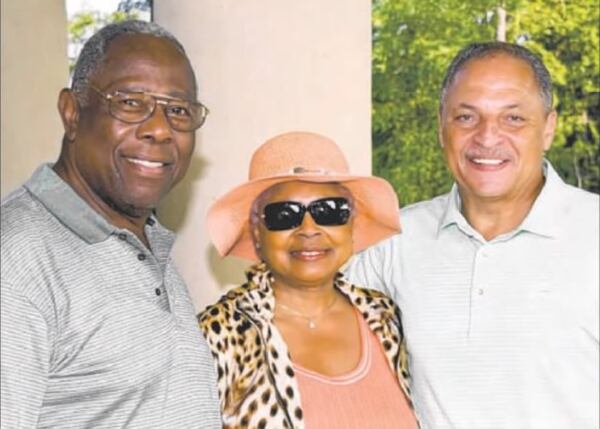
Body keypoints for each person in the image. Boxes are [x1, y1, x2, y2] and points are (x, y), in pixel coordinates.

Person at [346, 41, 599, 429]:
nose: (487, 137)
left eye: (513, 119)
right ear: (441, 126)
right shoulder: (394, 241)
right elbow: (302, 326)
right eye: (466, 117)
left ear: (549, 127)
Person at [0, 21, 221, 428]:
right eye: (131, 103)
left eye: (178, 110)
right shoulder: (18, 259)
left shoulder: (147, 243)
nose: (159, 129)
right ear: (72, 112)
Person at [199, 131, 420, 429]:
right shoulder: (217, 336)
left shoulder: (385, 317)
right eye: (284, 214)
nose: (308, 229)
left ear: (351, 224)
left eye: (328, 211)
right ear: (257, 232)